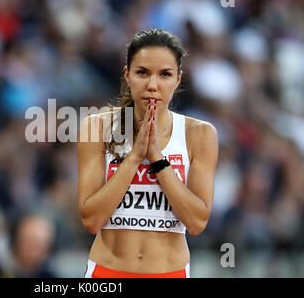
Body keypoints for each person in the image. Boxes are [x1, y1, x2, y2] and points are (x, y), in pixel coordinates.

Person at [77, 28, 219, 278]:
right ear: (127, 75)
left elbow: (197, 223)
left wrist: (156, 158)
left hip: (170, 271)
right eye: (142, 73)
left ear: (178, 79)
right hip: (107, 272)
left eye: (165, 74)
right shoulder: (96, 127)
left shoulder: (200, 134)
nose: (152, 85)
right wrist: (133, 158)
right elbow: (91, 220)